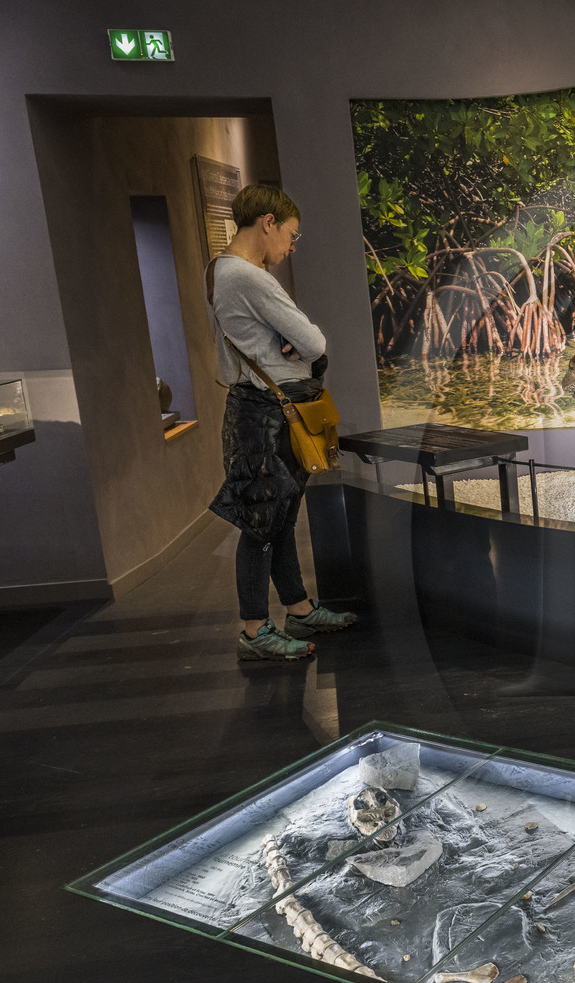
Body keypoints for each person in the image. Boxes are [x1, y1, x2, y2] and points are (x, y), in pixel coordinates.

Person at [207, 184, 355, 660]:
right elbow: (314, 341)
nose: (291, 247)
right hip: (265, 417)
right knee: (260, 524)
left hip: (262, 411)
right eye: (291, 234)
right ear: (267, 222)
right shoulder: (248, 276)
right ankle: (254, 630)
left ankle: (298, 606)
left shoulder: (220, 270)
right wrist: (301, 341)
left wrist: (286, 339)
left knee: (279, 519)